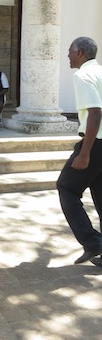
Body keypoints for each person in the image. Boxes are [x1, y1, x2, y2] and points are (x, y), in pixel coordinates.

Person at [56, 36, 102, 265]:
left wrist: (85, 153)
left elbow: (95, 113)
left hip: (94, 144)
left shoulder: (83, 75)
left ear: (80, 53)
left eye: (70, 51)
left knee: (66, 187)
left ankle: (93, 243)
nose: (68, 55)